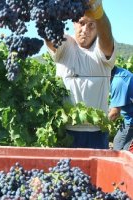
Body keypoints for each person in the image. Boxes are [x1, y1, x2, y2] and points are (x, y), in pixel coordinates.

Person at [45, 0, 116, 149]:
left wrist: (98, 12)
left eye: (91, 25)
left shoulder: (101, 48)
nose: (85, 29)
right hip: (66, 131)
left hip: (97, 132)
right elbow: (49, 36)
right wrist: (48, 9)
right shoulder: (65, 44)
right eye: (81, 23)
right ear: (73, 23)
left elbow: (107, 37)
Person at [108, 66, 133, 152]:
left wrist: (100, 126)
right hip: (129, 117)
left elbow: (115, 113)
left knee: (118, 147)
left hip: (131, 120)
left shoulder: (118, 82)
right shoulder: (118, 73)